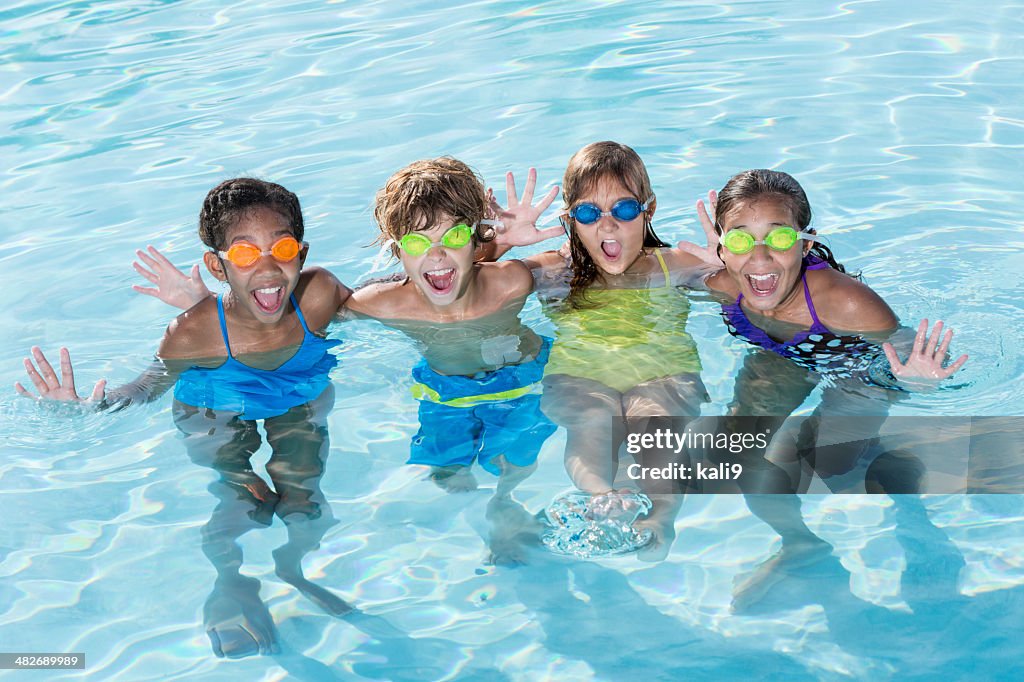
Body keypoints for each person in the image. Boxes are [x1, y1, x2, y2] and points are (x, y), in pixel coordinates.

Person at [132, 158, 556, 563]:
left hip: (520, 380)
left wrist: (501, 242)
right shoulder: (379, 303)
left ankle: (504, 506)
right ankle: (483, 511)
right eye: (416, 243)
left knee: (512, 460)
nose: (438, 254)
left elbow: (578, 265)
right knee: (445, 473)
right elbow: (270, 316)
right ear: (397, 251)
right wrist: (205, 306)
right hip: (443, 392)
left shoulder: (513, 281)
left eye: (456, 238)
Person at [16, 178, 354, 656]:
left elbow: (388, 302)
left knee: (304, 497)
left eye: (280, 247)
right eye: (243, 254)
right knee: (244, 495)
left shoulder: (320, 294)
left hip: (295, 394)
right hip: (215, 404)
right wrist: (89, 408)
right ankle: (230, 582)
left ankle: (292, 570)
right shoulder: (193, 332)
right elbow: (146, 385)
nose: (267, 266)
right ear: (218, 265)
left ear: (300, 252)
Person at [684, 168, 967, 608]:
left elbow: (902, 345)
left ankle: (897, 476)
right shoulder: (719, 281)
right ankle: (801, 545)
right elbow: (641, 278)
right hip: (783, 356)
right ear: (721, 243)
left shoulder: (845, 302)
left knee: (829, 466)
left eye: (778, 239)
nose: (759, 258)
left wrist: (910, 380)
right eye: (740, 239)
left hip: (856, 367)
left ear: (805, 242)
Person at [487, 141, 720, 560]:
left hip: (663, 372)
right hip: (581, 375)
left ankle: (660, 517)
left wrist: (730, 263)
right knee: (594, 418)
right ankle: (603, 496)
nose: (608, 226)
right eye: (590, 213)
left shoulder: (677, 265)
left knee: (654, 422)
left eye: (625, 210)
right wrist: (498, 247)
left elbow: (758, 295)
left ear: (649, 209)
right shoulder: (552, 270)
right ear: (569, 219)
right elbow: (468, 288)